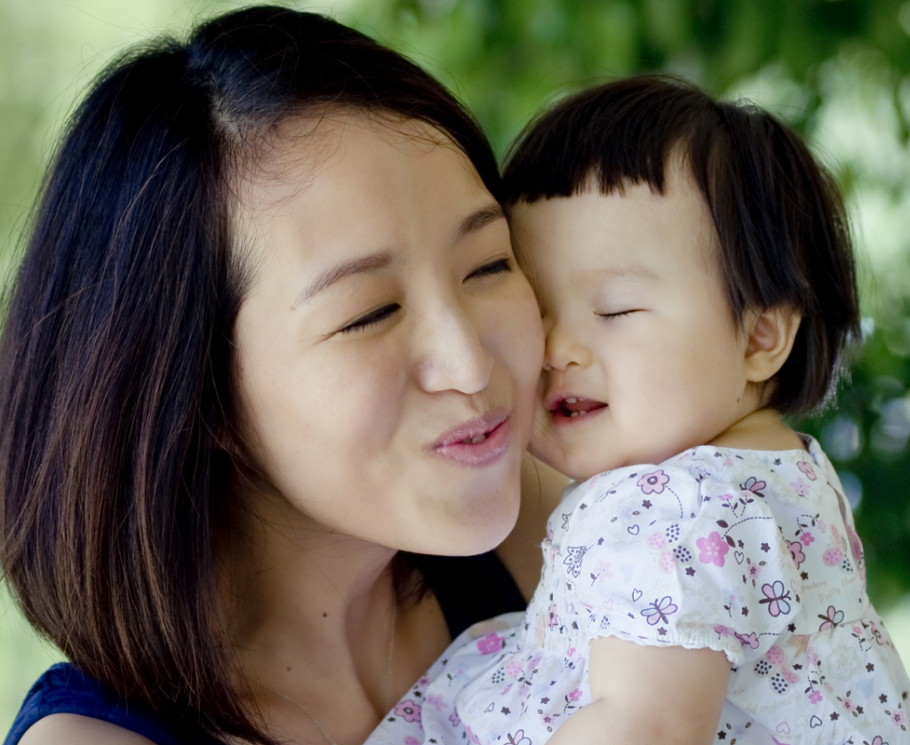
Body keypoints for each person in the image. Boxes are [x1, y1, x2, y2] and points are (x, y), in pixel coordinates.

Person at [0, 6, 567, 744]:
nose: (470, 364)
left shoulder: (549, 533)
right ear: (199, 393)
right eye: (369, 312)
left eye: (489, 264)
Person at [372, 77, 910, 745]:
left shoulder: (677, 511)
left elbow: (643, 728)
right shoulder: (779, 479)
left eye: (614, 311)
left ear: (759, 336)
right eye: (537, 312)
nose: (558, 350)